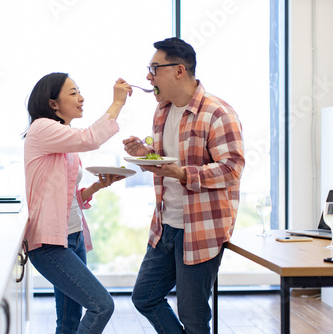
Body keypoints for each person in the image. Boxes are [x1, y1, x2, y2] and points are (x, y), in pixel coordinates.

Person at [123, 37, 245, 334]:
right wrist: (145, 155)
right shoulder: (162, 111)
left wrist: (182, 174)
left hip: (201, 228)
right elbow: (168, 162)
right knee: (145, 297)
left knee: (193, 317)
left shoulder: (218, 113)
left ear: (179, 70)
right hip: (166, 225)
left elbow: (232, 168)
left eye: (154, 68)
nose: (148, 77)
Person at [24, 72, 132, 333]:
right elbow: (90, 138)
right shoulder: (42, 128)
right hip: (50, 244)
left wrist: (97, 186)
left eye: (79, 91)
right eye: (73, 93)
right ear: (53, 104)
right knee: (102, 305)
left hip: (72, 238)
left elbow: (67, 195)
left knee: (70, 322)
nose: (81, 98)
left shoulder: (62, 134)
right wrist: (117, 102)